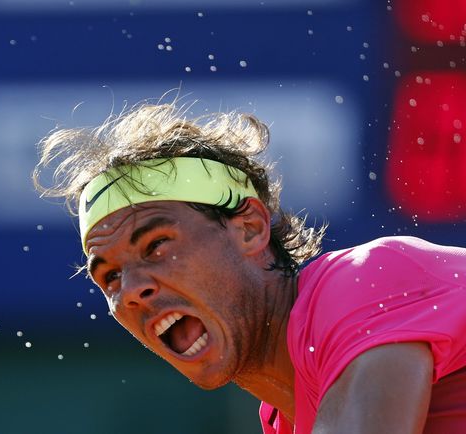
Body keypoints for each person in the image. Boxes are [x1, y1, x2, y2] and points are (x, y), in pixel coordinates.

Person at [32, 102, 466, 434]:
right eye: (109, 276)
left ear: (251, 229)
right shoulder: (289, 416)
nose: (129, 290)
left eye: (157, 244)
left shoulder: (366, 278)